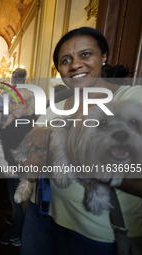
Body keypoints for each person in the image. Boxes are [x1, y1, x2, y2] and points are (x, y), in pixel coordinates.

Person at [20, 27, 142, 255]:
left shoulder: (131, 99)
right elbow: (32, 155)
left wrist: (58, 140)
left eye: (85, 54)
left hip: (94, 233)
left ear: (103, 56)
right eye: (66, 60)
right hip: (40, 215)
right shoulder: (56, 107)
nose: (75, 64)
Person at [0, 88, 36, 247]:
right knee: (19, 204)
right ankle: (18, 228)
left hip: (19, 169)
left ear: (27, 104)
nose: (15, 106)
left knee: (18, 204)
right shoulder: (26, 118)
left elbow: (2, 139)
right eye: (13, 102)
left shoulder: (24, 121)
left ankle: (16, 235)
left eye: (20, 103)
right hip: (16, 167)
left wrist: (10, 119)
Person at [0, 68, 27, 132]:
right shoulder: (33, 96)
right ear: (25, 80)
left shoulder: (4, 95)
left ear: (12, 80)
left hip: (6, 132)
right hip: (25, 134)